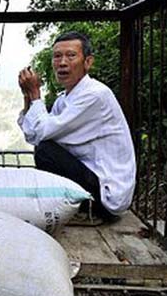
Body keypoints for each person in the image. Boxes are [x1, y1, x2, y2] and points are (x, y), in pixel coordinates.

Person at [17, 31, 136, 221]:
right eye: (57, 56)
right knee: (45, 148)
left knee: (46, 151)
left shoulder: (95, 95)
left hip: (107, 195)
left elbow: (41, 135)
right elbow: (33, 135)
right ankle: (73, 206)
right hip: (92, 180)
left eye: (71, 56)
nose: (62, 63)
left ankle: (79, 209)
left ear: (87, 62)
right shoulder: (64, 99)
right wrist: (28, 97)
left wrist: (36, 94)